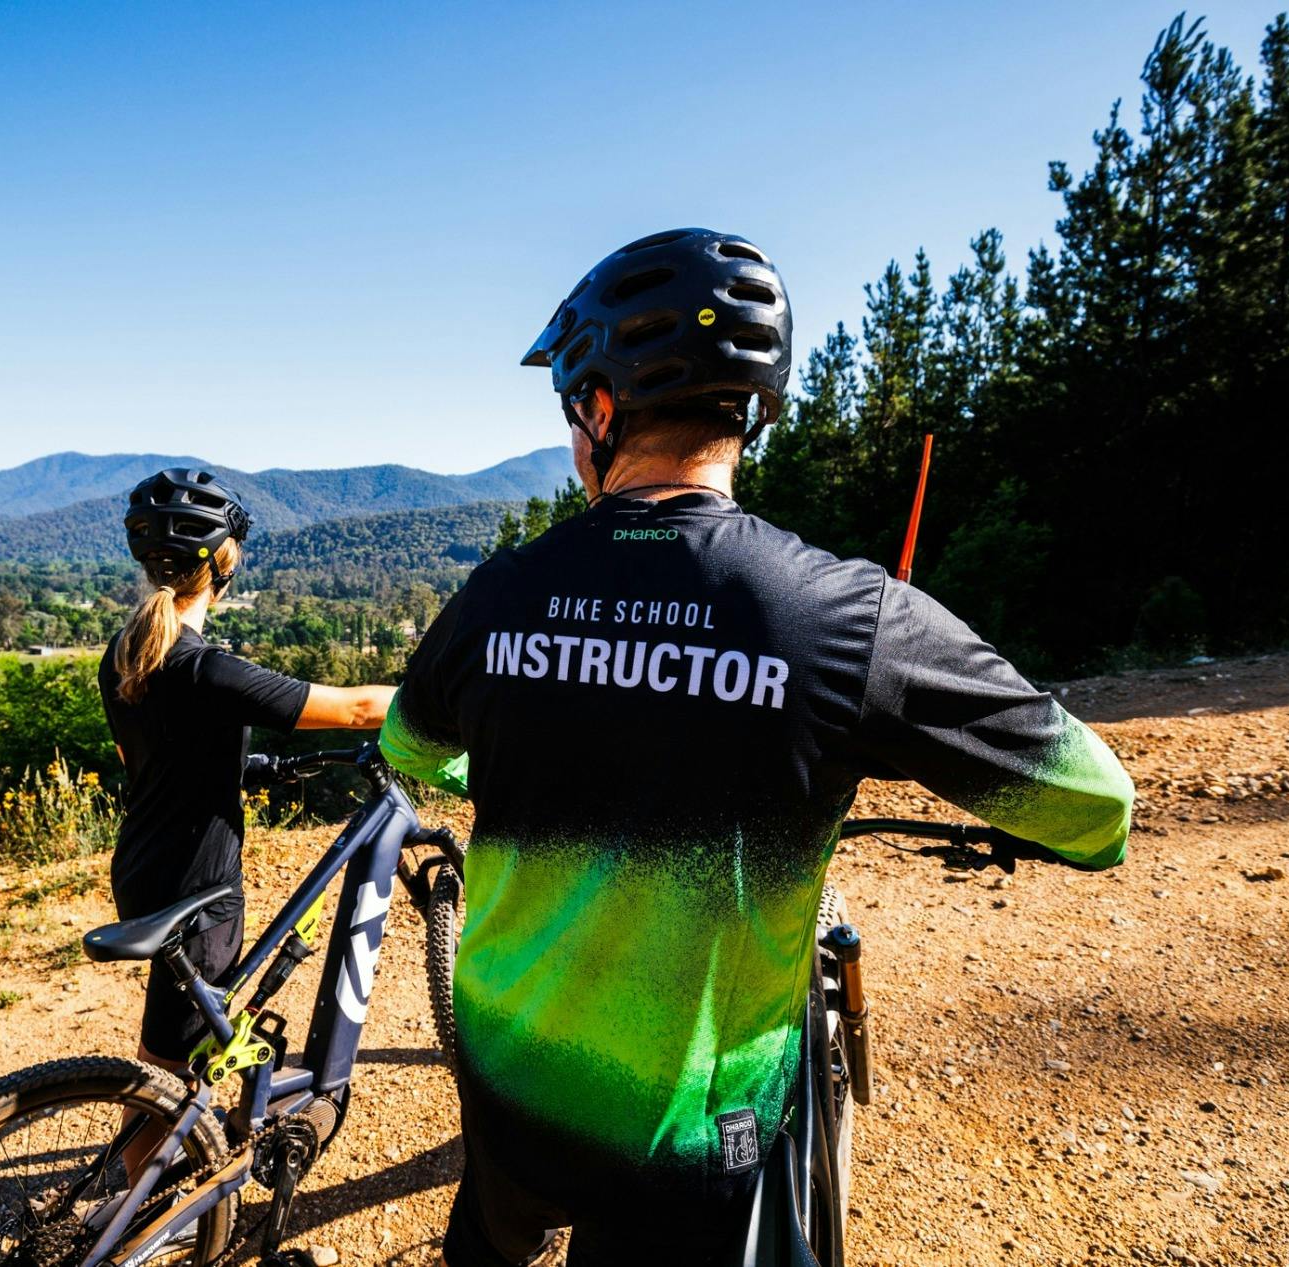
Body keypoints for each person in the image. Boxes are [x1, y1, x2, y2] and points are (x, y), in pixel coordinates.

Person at [379, 228, 1134, 1266]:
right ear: (749, 417)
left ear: (598, 410)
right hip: (693, 1141)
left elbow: (412, 747)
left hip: (509, 1089)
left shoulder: (495, 596)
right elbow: (1096, 804)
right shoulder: (846, 615)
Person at [98, 468, 395, 1074]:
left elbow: (150, 760)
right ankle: (148, 1167)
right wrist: (452, 697)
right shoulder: (209, 671)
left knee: (195, 1028)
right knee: (169, 1065)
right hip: (198, 888)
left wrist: (240, 767)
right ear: (225, 564)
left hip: (141, 867)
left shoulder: (125, 652)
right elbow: (358, 709)